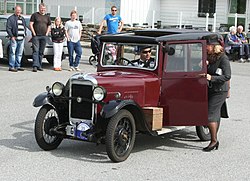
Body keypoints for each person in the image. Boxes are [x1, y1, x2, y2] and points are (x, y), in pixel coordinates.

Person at [203, 35, 231, 152]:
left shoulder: (223, 58)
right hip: (211, 89)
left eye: (207, 46)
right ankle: (214, 139)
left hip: (220, 90)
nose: (205, 48)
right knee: (214, 114)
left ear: (214, 46)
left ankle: (214, 141)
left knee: (210, 115)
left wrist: (211, 78)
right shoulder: (209, 56)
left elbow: (227, 75)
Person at [30, 3, 51, 72]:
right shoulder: (34, 15)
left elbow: (49, 25)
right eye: (42, 8)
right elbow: (31, 24)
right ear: (39, 8)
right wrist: (34, 33)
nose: (43, 10)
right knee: (36, 51)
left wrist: (47, 33)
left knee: (41, 52)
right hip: (36, 36)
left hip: (44, 36)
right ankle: (35, 66)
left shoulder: (47, 17)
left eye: (44, 9)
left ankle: (39, 65)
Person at [6, 5, 26, 72]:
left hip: (21, 38)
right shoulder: (11, 18)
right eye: (17, 10)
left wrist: (24, 34)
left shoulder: (22, 18)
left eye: (19, 10)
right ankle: (12, 66)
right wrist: (12, 36)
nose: (18, 11)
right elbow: (8, 28)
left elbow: (24, 27)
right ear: (14, 10)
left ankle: (18, 66)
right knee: (12, 53)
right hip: (14, 38)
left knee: (19, 53)